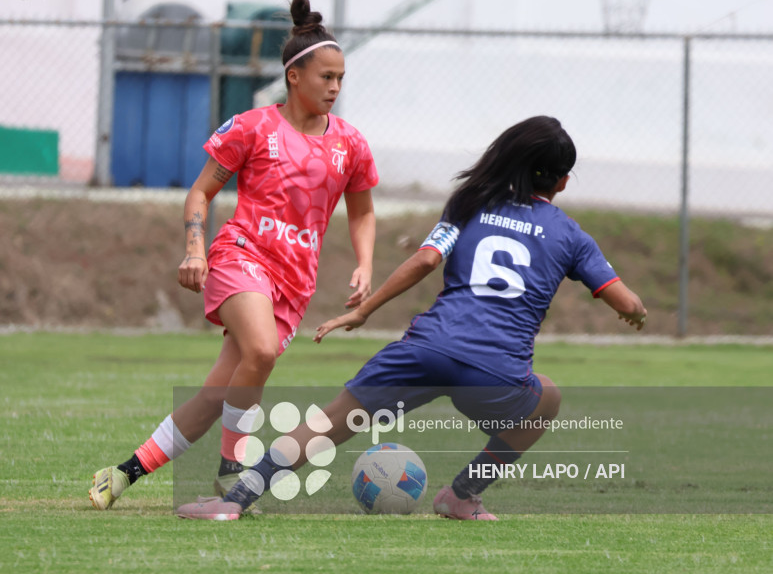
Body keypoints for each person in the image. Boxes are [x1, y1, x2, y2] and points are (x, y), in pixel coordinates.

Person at [175, 115, 648, 521]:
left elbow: (425, 262)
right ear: (562, 182)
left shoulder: (471, 203)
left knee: (329, 424)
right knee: (547, 396)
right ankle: (462, 496)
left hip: (426, 349)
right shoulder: (571, 235)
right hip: (494, 373)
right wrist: (637, 312)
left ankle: (234, 501)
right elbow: (624, 302)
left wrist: (363, 310)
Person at [89, 0, 379, 510]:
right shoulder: (251, 128)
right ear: (295, 76)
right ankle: (232, 466)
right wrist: (195, 250)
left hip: (293, 281)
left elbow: (361, 212)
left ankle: (122, 474)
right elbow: (200, 191)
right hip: (240, 257)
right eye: (325, 77)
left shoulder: (351, 145)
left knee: (216, 395)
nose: (335, 87)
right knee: (261, 352)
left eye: (341, 78)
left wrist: (364, 263)